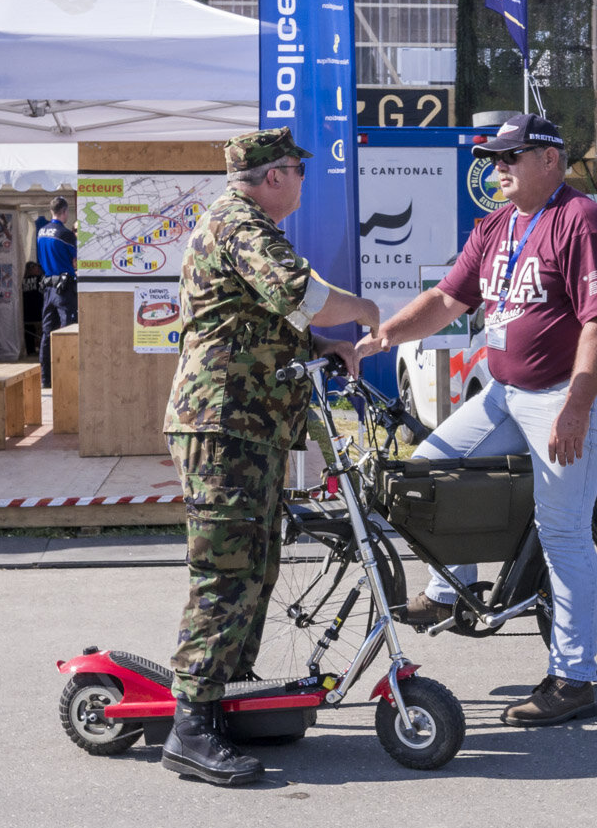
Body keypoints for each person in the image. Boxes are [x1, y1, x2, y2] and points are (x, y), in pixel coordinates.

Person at [359, 113, 597, 728]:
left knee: (563, 535)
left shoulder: (579, 219)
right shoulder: (497, 226)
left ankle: (574, 678)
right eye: (494, 158)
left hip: (567, 395)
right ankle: (452, 591)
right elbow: (446, 301)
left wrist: (577, 407)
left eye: (511, 157)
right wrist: (380, 340)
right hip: (508, 394)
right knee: (429, 468)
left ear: (550, 160)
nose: (497, 168)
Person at [162, 127, 380, 787]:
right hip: (222, 423)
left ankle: (229, 692)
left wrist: (325, 346)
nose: (304, 183)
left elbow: (270, 316)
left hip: (245, 425)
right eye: (300, 172)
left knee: (256, 560)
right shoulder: (241, 223)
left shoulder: (243, 223)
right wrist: (366, 313)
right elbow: (301, 292)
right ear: (276, 175)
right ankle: (192, 724)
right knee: (226, 569)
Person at [36, 196, 78, 387]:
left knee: (46, 334)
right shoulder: (65, 234)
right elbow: (76, 261)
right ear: (64, 212)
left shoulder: (41, 232)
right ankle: (66, 378)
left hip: (48, 288)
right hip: (64, 288)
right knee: (67, 331)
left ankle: (46, 379)